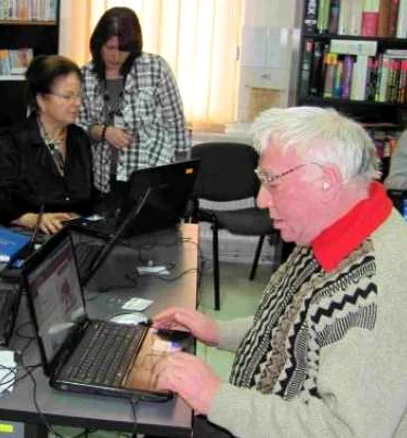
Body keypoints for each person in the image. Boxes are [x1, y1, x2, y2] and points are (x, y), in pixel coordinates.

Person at [152, 107, 407, 437]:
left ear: (326, 181)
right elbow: (294, 328)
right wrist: (217, 331)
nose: (260, 200)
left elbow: (345, 432)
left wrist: (216, 398)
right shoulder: (332, 229)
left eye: (272, 182)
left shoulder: (377, 291)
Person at [77, 6, 191, 199]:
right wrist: (104, 132)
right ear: (98, 44)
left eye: (124, 49)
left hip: (151, 172)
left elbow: (176, 123)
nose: (116, 56)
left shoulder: (155, 69)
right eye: (110, 48)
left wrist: (180, 179)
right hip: (105, 177)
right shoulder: (85, 75)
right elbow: (77, 125)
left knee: (151, 229)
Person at [0, 55, 99, 235]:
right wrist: (32, 219)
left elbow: (89, 198)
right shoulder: (12, 140)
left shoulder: (78, 138)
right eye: (68, 96)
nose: (77, 103)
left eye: (79, 95)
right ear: (41, 100)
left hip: (75, 234)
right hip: (27, 235)